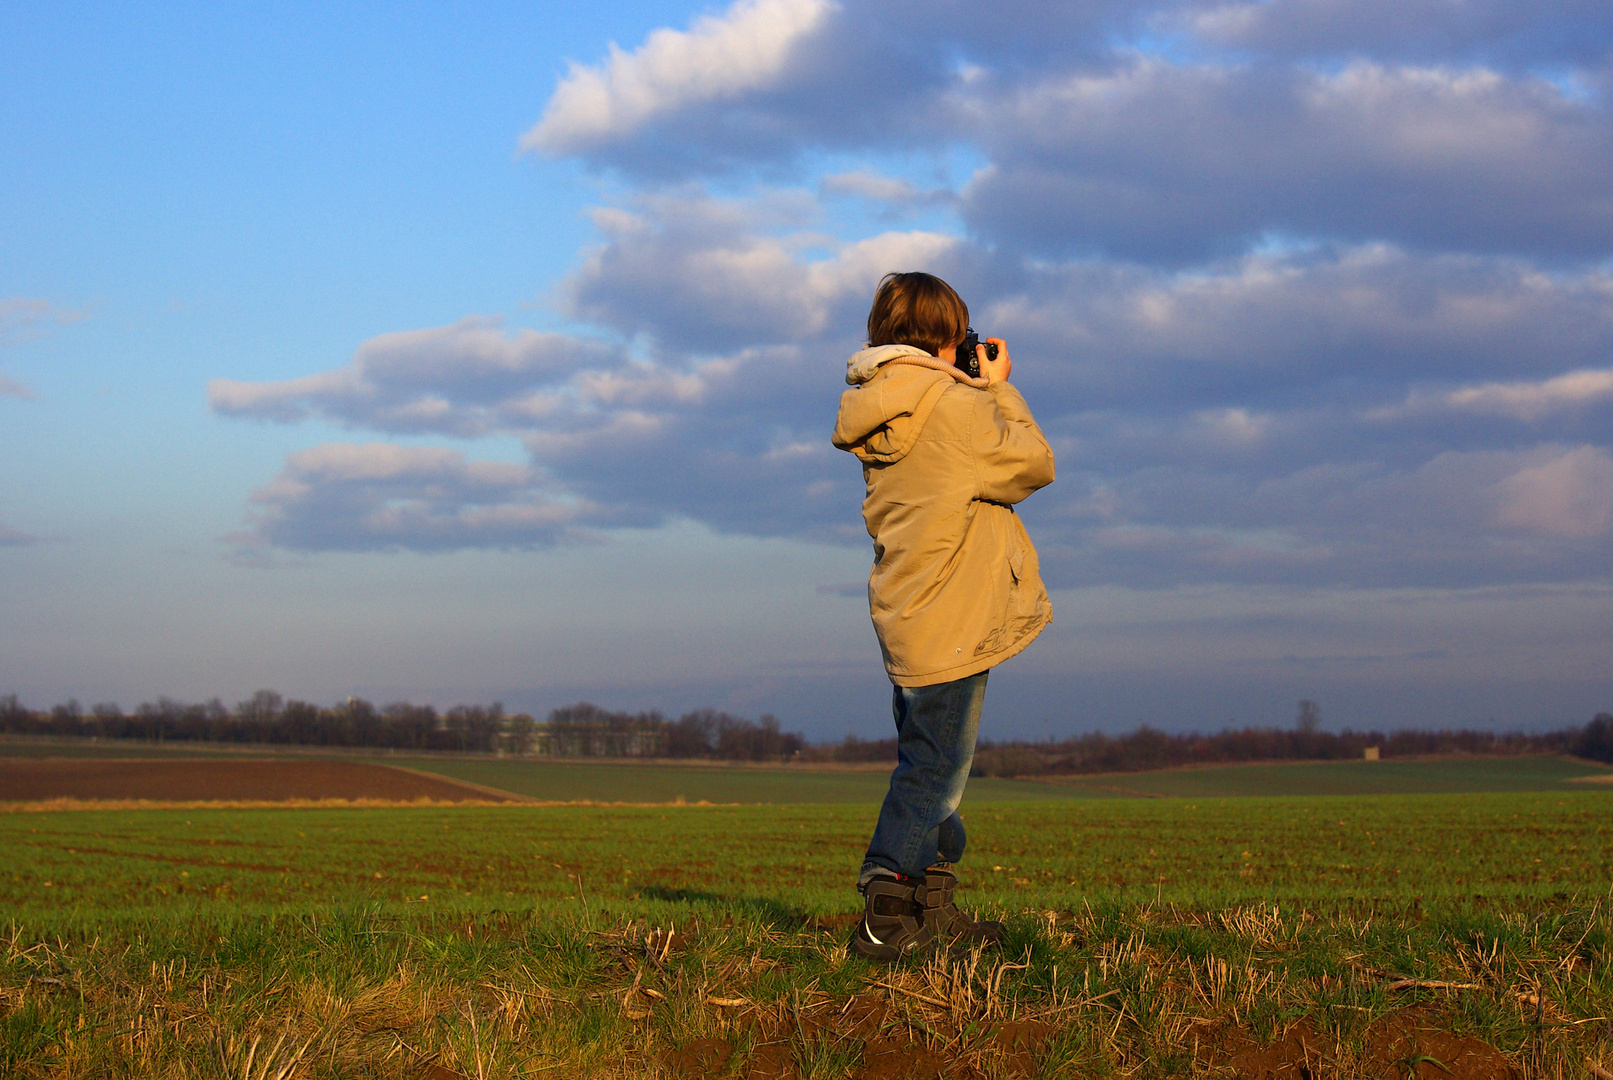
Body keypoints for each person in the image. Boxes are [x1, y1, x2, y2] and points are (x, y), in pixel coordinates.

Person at [832, 271, 1056, 962]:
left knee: (933, 768)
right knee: (932, 772)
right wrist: (997, 389)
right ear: (948, 334)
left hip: (908, 610)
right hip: (954, 613)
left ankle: (931, 909)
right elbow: (1033, 464)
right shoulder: (953, 408)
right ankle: (885, 914)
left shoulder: (880, 405)